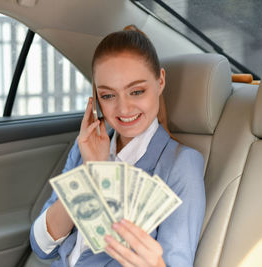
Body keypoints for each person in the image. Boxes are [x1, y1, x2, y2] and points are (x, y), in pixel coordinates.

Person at [30, 25, 205, 267]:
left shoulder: (180, 164)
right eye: (108, 96)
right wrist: (90, 175)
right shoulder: (87, 147)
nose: (123, 109)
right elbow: (41, 246)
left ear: (161, 81)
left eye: (136, 91)